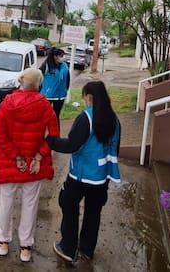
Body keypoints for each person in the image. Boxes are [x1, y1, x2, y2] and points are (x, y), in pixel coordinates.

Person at [45, 81, 121, 263]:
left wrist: (49, 139)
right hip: (101, 178)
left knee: (68, 205)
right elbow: (114, 149)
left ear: (90, 97)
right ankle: (87, 249)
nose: (85, 100)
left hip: (80, 176)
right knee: (93, 213)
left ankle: (68, 248)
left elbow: (72, 145)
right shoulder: (115, 119)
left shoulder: (86, 118)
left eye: (85, 96)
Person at [0, 68, 59, 262]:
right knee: (30, 204)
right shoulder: (46, 107)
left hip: (9, 162)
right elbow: (53, 136)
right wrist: (38, 158)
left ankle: (3, 241)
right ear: (39, 84)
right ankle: (25, 247)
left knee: (6, 203)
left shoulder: (6, 105)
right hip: (33, 165)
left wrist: (17, 157)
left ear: (21, 83)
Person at [39, 47, 70, 127]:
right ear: (55, 56)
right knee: (44, 116)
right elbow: (38, 78)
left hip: (60, 96)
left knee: (56, 116)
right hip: (47, 96)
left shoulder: (65, 66)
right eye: (61, 56)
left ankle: (56, 137)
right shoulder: (46, 66)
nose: (63, 58)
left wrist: (66, 89)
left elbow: (67, 79)